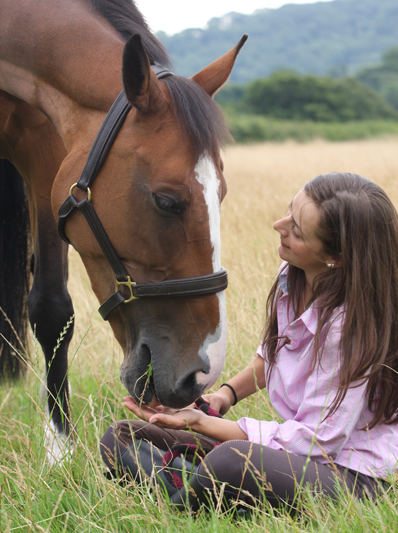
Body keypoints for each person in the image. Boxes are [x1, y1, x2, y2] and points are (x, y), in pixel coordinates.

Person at [100, 172, 398, 512]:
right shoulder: (293, 277)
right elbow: (271, 357)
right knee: (121, 436)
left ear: (336, 258)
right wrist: (218, 400)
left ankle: (183, 500)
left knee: (231, 460)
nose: (278, 224)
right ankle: (209, 491)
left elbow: (316, 443)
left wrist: (203, 424)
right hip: (294, 459)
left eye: (297, 230)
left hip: (350, 476)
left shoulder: (348, 329)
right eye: (289, 210)